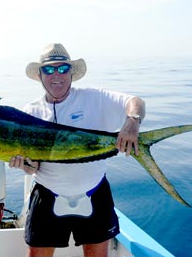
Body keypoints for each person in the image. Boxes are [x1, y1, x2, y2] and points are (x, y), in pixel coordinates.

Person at [9, 43, 145, 257]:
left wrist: (133, 121)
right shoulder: (29, 113)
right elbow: (33, 165)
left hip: (94, 192)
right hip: (47, 195)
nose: (57, 75)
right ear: (40, 74)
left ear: (71, 72)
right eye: (49, 69)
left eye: (63, 68)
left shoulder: (94, 98)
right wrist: (25, 165)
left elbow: (134, 102)